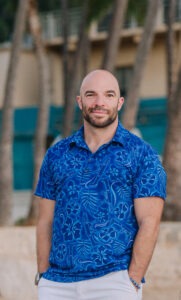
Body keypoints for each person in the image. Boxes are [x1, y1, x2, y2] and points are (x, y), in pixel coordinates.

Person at [34, 69, 166, 300]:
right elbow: (45, 220)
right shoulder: (56, 155)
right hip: (57, 284)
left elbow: (150, 222)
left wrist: (132, 280)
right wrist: (43, 276)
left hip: (113, 281)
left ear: (120, 102)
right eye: (91, 94)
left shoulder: (142, 154)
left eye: (109, 95)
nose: (99, 102)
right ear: (79, 101)